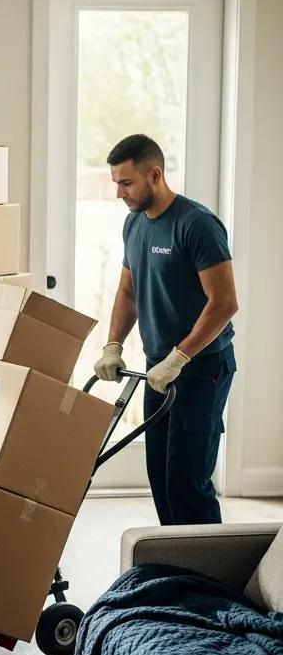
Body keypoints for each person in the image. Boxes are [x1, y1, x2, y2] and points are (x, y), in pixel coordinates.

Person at [94, 134, 239, 525]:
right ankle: (174, 560)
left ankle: (206, 565)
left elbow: (225, 303)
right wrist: (112, 346)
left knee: (187, 482)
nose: (119, 193)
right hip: (157, 368)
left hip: (201, 368)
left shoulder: (196, 225)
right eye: (116, 183)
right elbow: (128, 292)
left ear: (155, 175)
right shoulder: (134, 224)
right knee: (160, 476)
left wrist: (180, 357)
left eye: (127, 183)